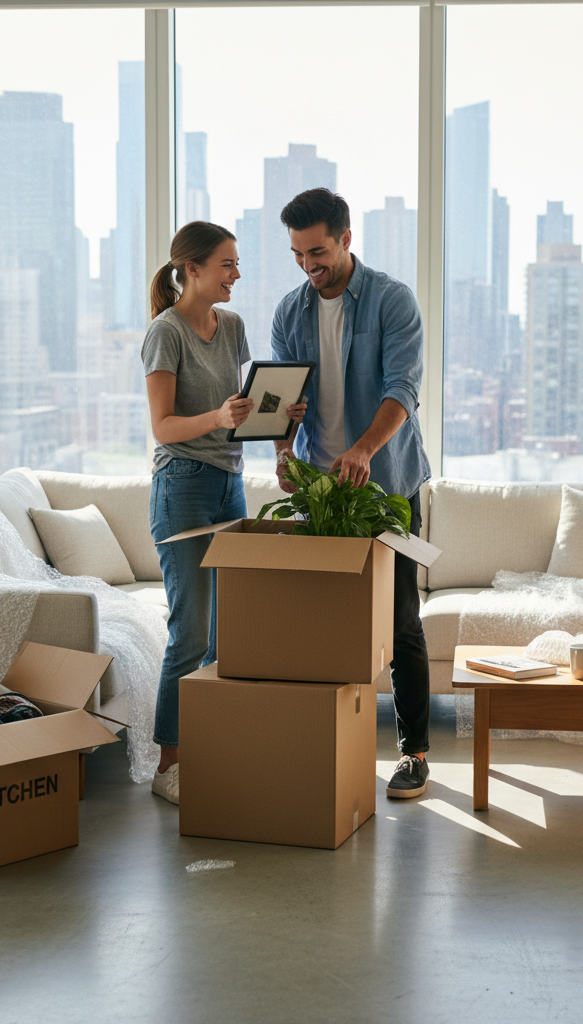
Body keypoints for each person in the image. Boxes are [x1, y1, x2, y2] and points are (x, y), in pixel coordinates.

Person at [271, 188, 433, 799]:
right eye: (297, 254)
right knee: (324, 626)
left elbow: (403, 390)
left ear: (345, 239)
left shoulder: (392, 300)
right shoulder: (289, 313)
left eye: (317, 252)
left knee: (399, 623)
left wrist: (363, 449)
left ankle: (414, 753)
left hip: (387, 487)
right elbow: (282, 400)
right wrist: (283, 453)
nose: (308, 265)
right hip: (322, 495)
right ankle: (330, 748)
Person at [142, 221, 304, 806]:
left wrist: (282, 419)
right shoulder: (166, 332)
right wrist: (219, 417)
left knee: (223, 635)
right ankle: (169, 765)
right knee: (188, 631)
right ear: (192, 270)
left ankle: (208, 748)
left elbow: (241, 412)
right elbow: (163, 427)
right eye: (227, 265)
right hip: (182, 487)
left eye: (237, 264)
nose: (236, 274)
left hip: (228, 485)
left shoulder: (231, 326)